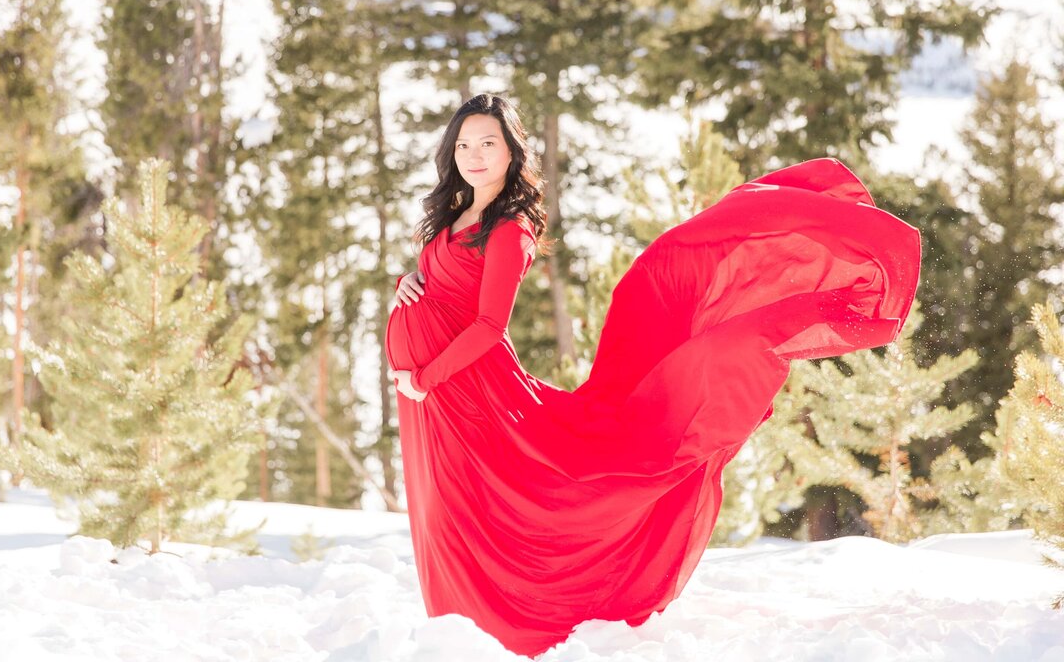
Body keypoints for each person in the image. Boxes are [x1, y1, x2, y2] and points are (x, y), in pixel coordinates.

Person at [384, 92, 920, 657]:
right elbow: (448, 286)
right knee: (444, 503)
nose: (474, 154)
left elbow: (490, 325)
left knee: (491, 504)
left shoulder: (509, 229)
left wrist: (426, 374)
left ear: (512, 154)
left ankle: (494, 629)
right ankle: (454, 633)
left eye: (488, 143)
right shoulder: (453, 214)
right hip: (434, 389)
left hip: (464, 387)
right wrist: (408, 283)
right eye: (464, 143)